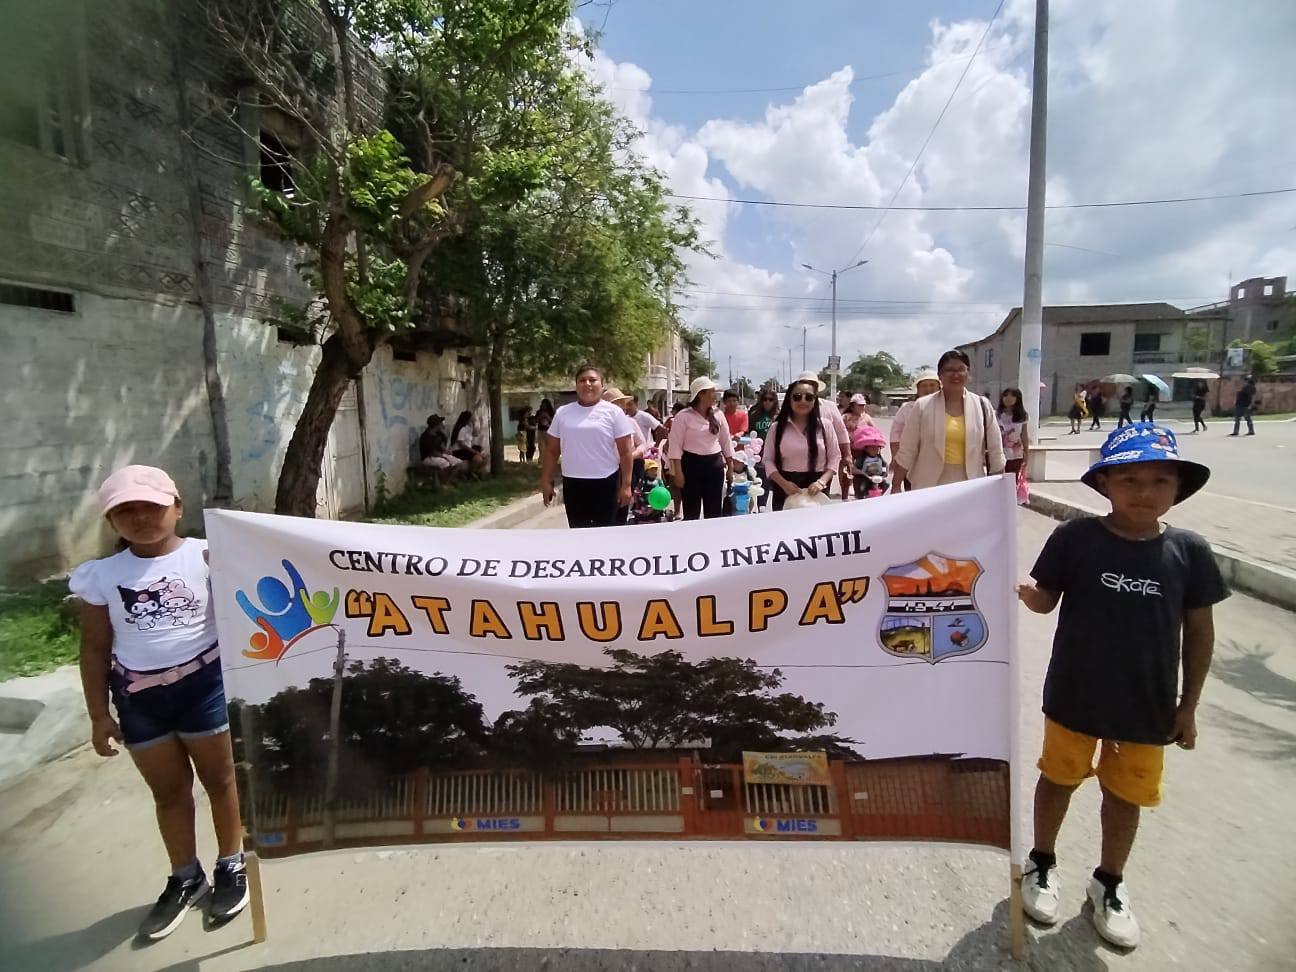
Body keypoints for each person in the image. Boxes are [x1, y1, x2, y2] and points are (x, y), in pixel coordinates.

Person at [1016, 423, 1227, 949]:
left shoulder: (1190, 551)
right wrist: (1012, 585)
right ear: (1105, 484)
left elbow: (1199, 633)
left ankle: (1109, 882)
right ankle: (1041, 862)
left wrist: (1188, 706)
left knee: (1126, 794)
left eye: (1159, 480)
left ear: (1177, 488)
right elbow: (1044, 601)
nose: (1144, 492)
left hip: (1147, 707)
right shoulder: (1075, 539)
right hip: (1074, 695)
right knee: (1058, 779)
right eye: (1130, 479)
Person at [68, 466, 248, 940]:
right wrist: (99, 714)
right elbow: (94, 648)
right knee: (168, 794)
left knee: (221, 781)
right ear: (111, 521)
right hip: (140, 701)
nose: (141, 517)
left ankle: (232, 864)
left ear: (177, 508)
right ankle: (185, 876)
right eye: (126, 510)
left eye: (152, 506)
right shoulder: (103, 576)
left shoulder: (207, 556)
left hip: (206, 688)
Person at [892, 350, 1006, 491]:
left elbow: (996, 450)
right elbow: (907, 450)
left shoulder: (982, 405)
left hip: (971, 486)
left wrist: (1001, 487)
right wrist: (896, 485)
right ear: (940, 375)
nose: (956, 375)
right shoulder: (922, 406)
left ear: (968, 373)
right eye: (949, 370)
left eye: (961, 369)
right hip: (928, 486)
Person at [539, 366, 634, 528]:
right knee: (579, 533)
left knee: (605, 533)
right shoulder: (563, 413)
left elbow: (625, 452)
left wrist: (626, 485)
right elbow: (552, 450)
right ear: (576, 386)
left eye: (592, 380)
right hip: (573, 483)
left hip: (606, 483)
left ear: (602, 385)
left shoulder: (613, 412)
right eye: (582, 380)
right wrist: (546, 481)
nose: (587, 384)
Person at [667, 376, 736, 520]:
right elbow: (675, 446)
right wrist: (678, 473)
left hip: (714, 466)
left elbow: (726, 441)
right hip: (691, 466)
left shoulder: (718, 415)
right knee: (691, 512)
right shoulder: (683, 416)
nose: (715, 395)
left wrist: (730, 466)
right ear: (701, 394)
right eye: (711, 391)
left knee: (714, 512)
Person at [767, 379, 840, 512]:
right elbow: (768, 460)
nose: (803, 401)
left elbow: (835, 457)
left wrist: (821, 482)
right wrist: (784, 484)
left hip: (817, 489)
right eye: (797, 397)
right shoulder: (776, 428)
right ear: (789, 399)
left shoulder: (825, 426)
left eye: (809, 397)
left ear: (815, 400)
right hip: (785, 487)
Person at [794, 371, 852, 496]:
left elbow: (841, 431)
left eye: (811, 384)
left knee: (819, 500)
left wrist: (847, 455)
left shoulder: (829, 406)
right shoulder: (792, 407)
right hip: (794, 466)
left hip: (822, 465)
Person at [889, 370, 941, 491]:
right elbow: (895, 435)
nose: (928, 389)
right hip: (911, 464)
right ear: (917, 389)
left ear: (939, 387)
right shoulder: (907, 408)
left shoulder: (948, 407)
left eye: (932, 385)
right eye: (924, 386)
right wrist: (895, 457)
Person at [603, 386, 648, 524]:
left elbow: (643, 445)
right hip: (606, 470)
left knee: (622, 506)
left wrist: (631, 456)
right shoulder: (600, 424)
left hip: (627, 469)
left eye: (622, 404)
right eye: (617, 403)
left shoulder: (630, 422)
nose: (622, 407)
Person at [747, 388, 780, 511]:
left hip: (774, 453)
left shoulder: (779, 416)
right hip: (757, 453)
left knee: (772, 482)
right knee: (759, 481)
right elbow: (748, 432)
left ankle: (766, 508)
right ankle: (758, 507)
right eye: (765, 399)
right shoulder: (754, 415)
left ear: (774, 401)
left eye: (770, 400)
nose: (767, 402)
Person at [997, 388, 1031, 476]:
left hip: (1016, 454)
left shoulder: (1023, 416)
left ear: (1018, 398)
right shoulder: (995, 415)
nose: (1008, 398)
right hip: (998, 454)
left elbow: (1024, 435)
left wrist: (1026, 453)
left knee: (1012, 479)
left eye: (1012, 395)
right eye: (1005, 395)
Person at [851, 424, 889, 498]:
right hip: (866, 477)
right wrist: (863, 474)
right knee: (863, 486)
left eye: (876, 448)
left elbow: (885, 465)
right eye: (872, 448)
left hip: (878, 477)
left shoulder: (879, 458)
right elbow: (855, 468)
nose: (874, 449)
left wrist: (884, 474)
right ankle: (861, 495)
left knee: (885, 485)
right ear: (866, 448)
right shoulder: (862, 459)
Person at [451, 410, 488, 476]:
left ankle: (478, 472)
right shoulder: (462, 429)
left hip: (468, 448)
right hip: (460, 450)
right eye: (471, 418)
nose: (472, 419)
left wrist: (474, 424)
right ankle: (471, 473)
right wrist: (474, 451)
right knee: (478, 459)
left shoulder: (468, 427)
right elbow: (461, 444)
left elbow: (476, 434)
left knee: (484, 454)